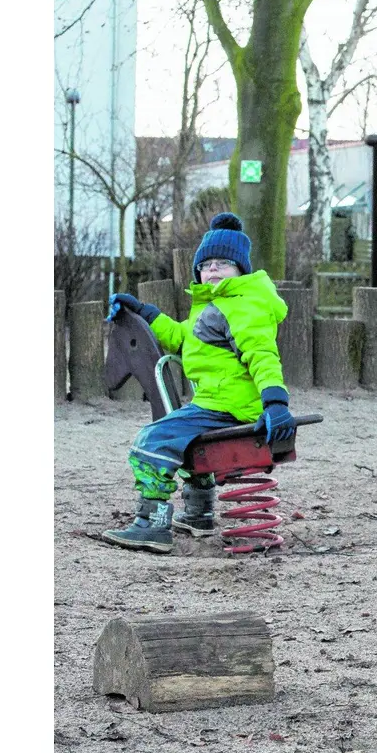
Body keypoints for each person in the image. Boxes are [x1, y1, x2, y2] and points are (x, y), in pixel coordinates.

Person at [101, 213, 295, 553]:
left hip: (228, 407)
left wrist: (276, 402)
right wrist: (144, 311)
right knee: (187, 440)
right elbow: (181, 337)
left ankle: (152, 525)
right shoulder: (214, 306)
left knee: (152, 440)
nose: (214, 269)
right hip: (216, 402)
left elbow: (262, 355)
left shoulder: (243, 306)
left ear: (241, 269)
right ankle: (199, 514)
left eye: (224, 263)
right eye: (206, 264)